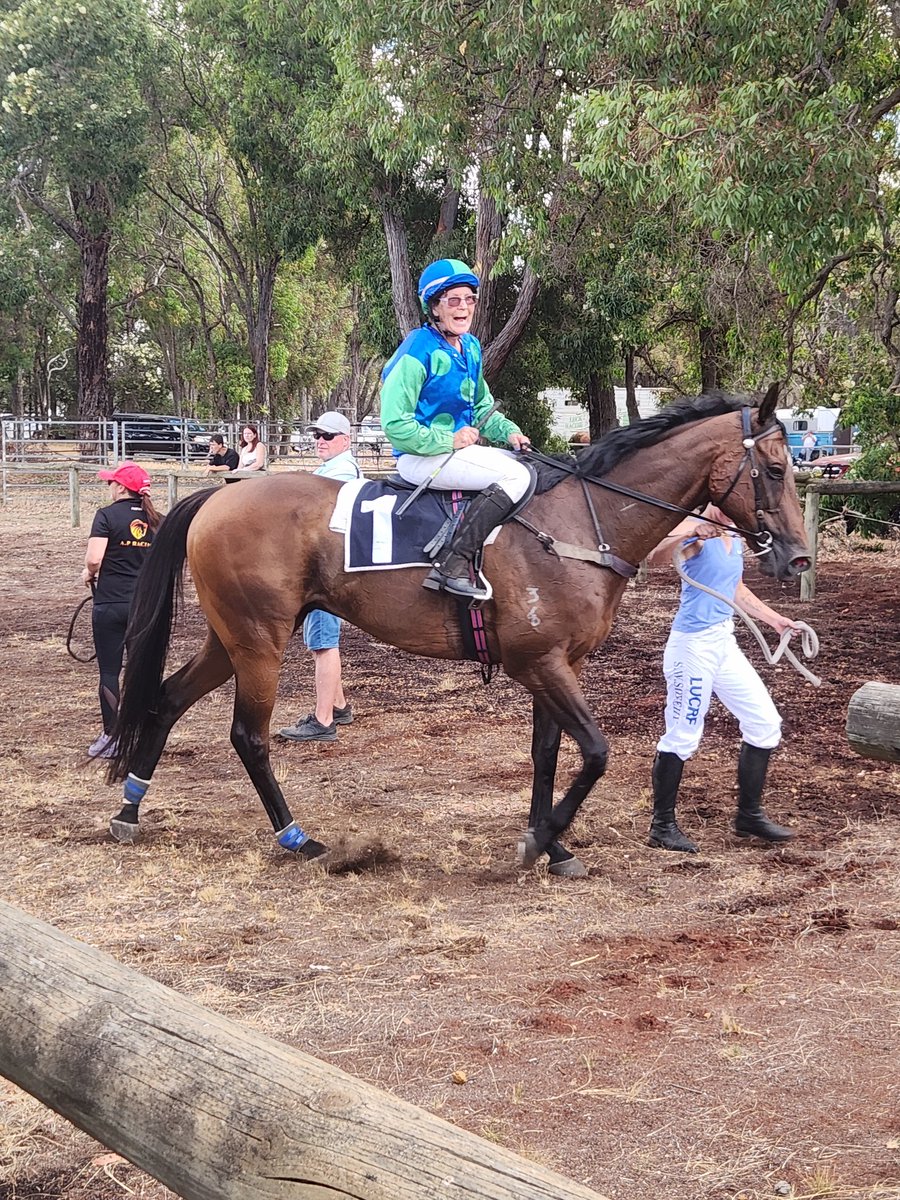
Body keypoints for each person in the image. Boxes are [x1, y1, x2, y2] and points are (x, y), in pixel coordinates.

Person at [646, 507, 804, 852]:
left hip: (723, 642)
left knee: (764, 723)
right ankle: (662, 826)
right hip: (692, 646)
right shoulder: (694, 526)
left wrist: (774, 620)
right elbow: (656, 554)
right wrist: (692, 534)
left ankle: (748, 816)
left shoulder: (733, 531)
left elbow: (734, 586)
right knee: (683, 733)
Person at [380, 258, 532, 600]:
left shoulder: (471, 347)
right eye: (453, 300)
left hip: (457, 453)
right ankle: (451, 564)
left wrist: (509, 431)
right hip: (420, 457)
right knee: (515, 478)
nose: (463, 307)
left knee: (528, 467)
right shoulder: (416, 350)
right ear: (434, 306)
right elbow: (394, 424)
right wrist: (447, 440)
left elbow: (481, 407)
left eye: (469, 299)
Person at [278, 412, 362, 743]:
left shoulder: (340, 471)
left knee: (325, 643)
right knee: (321, 641)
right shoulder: (330, 470)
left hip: (327, 567)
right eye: (317, 435)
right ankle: (338, 706)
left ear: (345, 439)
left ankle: (323, 719)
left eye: (328, 435)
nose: (320, 441)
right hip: (327, 565)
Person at [82, 463, 162, 759]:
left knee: (110, 671)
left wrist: (88, 573)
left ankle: (112, 736)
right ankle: (145, 733)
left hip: (111, 603)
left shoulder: (106, 516)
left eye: (111, 483)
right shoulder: (157, 521)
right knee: (144, 670)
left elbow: (94, 559)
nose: (109, 487)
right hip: (145, 606)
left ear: (120, 487)